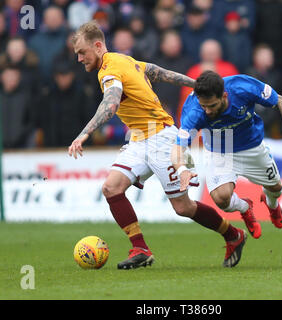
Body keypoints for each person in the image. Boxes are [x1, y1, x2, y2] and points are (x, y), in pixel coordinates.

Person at [68, 21, 249, 269]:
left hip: (161, 139)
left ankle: (233, 235)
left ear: (98, 46)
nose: (79, 59)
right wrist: (194, 83)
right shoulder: (124, 60)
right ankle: (140, 248)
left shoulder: (109, 71)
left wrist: (84, 134)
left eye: (82, 52)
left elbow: (110, 104)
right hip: (139, 139)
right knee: (111, 188)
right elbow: (155, 71)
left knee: (183, 207)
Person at [171, 70, 282, 237]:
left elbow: (281, 101)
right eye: (204, 106)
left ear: (224, 96)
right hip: (220, 149)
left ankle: (272, 205)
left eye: (212, 106)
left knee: (276, 188)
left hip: (251, 145)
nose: (207, 111)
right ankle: (245, 207)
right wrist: (182, 170)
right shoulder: (194, 111)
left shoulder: (243, 87)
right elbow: (178, 147)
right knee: (221, 199)